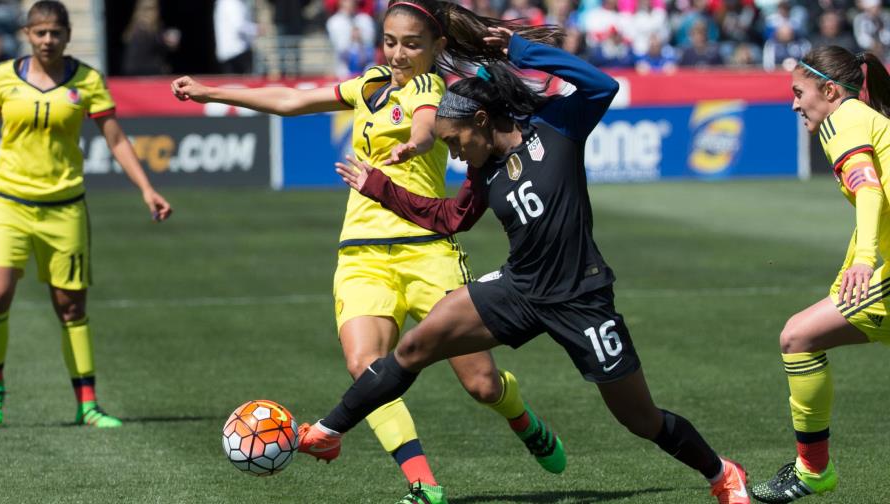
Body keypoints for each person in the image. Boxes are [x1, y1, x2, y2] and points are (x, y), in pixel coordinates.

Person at [303, 26, 752, 504]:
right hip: (519, 288)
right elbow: (450, 219)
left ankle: (722, 472)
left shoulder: (557, 126)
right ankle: (329, 431)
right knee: (415, 346)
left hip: (581, 298)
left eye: (455, 142)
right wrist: (381, 189)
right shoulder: (484, 169)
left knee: (640, 419)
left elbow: (602, 85)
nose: (454, 154)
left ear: (481, 119)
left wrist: (519, 49)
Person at [171, 2, 565, 502]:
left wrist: (415, 145)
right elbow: (292, 100)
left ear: (438, 47)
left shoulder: (433, 90)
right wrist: (210, 91)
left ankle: (523, 420)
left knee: (482, 384)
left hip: (427, 251)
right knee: (366, 367)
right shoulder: (368, 84)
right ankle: (424, 485)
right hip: (361, 254)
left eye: (412, 44)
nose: (398, 54)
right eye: (391, 42)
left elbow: (425, 125)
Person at [0, 1, 172, 429]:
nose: (47, 40)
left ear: (68, 35)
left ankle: (87, 405)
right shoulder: (2, 77)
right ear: (27, 34)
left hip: (64, 208)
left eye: (55, 33)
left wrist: (146, 188)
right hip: (8, 202)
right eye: (40, 32)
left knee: (70, 308)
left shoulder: (87, 80)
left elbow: (116, 139)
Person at [749, 46, 890, 503]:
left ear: (829, 91)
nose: (794, 104)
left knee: (798, 337)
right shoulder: (864, 118)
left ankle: (812, 471)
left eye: (799, 93)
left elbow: (870, 190)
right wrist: (856, 262)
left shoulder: (843, 120)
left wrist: (864, 260)